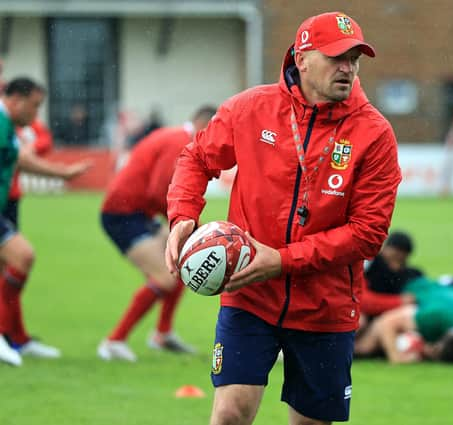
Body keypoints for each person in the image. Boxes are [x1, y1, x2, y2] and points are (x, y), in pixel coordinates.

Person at [165, 11, 401, 425]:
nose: (347, 68)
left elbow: (367, 235)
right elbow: (197, 158)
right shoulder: (250, 109)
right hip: (249, 297)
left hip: (326, 306)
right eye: (336, 57)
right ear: (302, 57)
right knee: (230, 414)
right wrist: (183, 216)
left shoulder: (374, 134)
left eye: (354, 58)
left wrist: (282, 260)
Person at [97, 105, 217, 362]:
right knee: (164, 278)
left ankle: (162, 333)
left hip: (139, 213)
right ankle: (113, 341)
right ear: (204, 125)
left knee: (185, 256)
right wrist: (188, 224)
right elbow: (158, 191)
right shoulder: (179, 142)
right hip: (123, 214)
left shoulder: (176, 137)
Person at [0, 77, 91, 366]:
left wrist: (61, 174)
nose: (36, 115)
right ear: (15, 100)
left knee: (9, 267)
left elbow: (18, 160)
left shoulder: (9, 127)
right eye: (35, 106)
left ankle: (16, 338)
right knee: (22, 256)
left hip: (6, 207)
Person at [355, 276, 453, 364]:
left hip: (439, 293)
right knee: (366, 346)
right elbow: (386, 322)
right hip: (401, 285)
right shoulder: (434, 316)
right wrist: (396, 358)